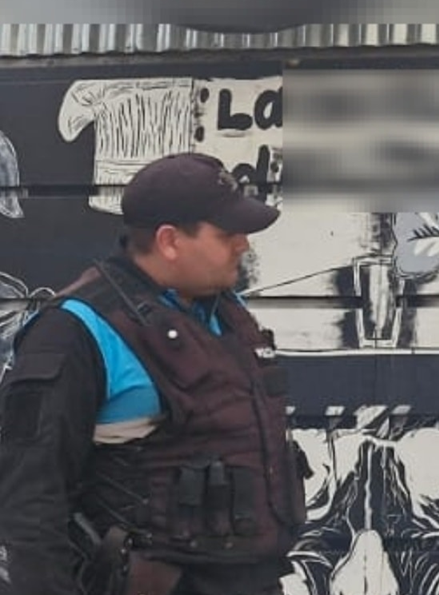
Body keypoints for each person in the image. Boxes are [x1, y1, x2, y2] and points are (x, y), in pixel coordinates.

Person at [0, 153, 307, 595]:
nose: (243, 245)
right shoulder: (75, 330)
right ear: (170, 241)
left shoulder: (224, 312)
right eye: (226, 234)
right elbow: (30, 504)